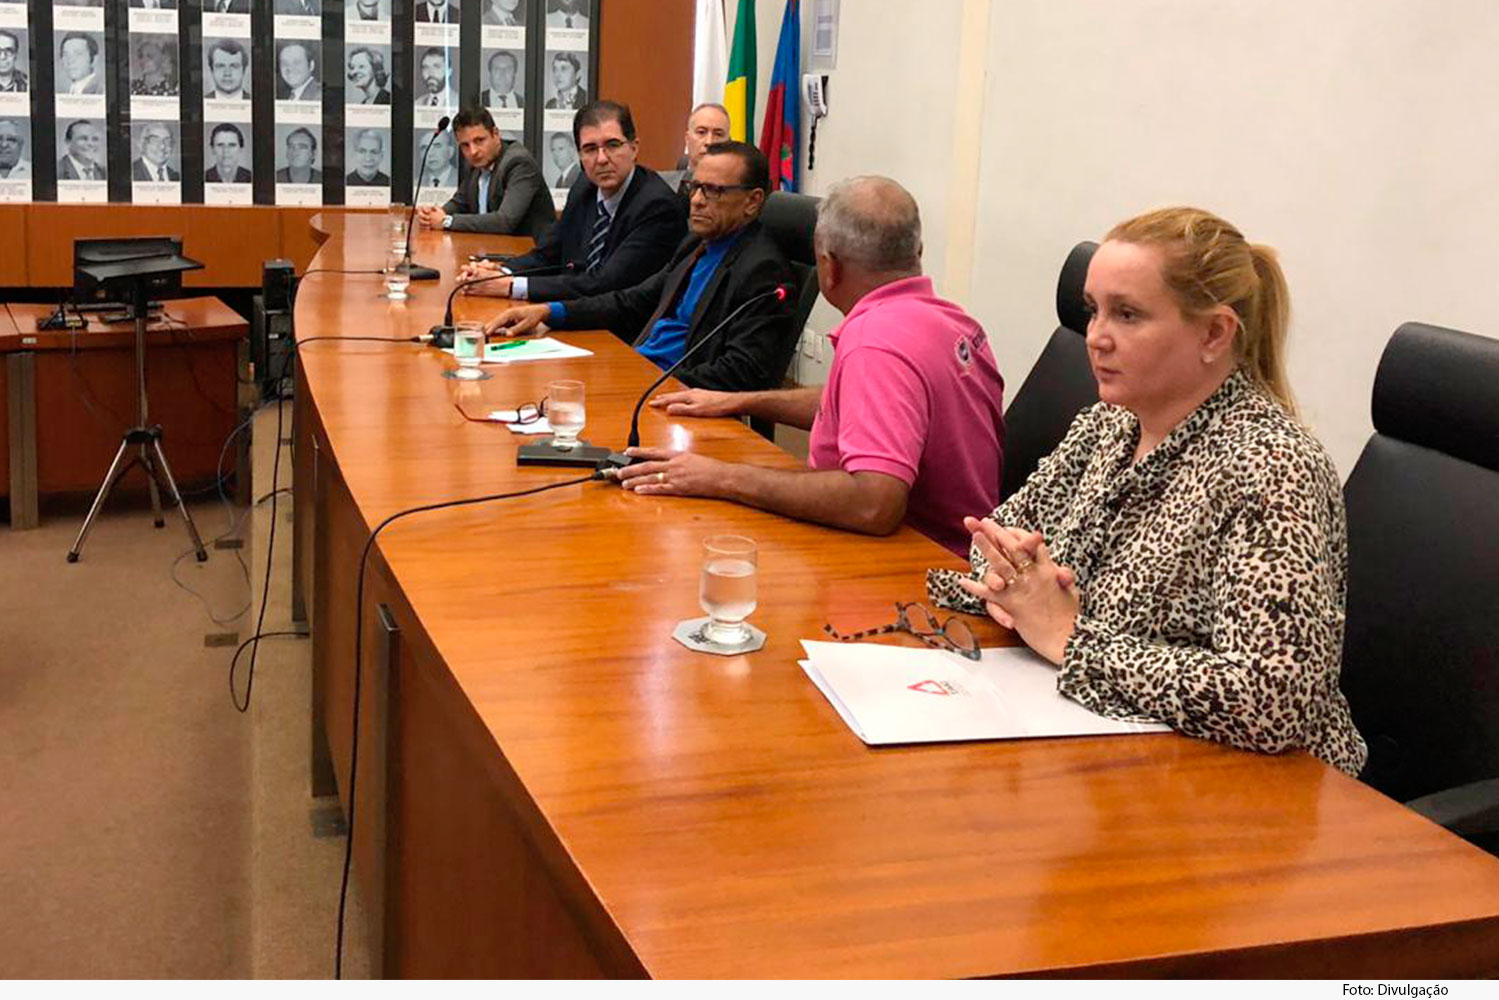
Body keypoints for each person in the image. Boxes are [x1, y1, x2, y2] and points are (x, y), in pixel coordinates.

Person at [927, 206, 1368, 776]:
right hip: (1101, 748)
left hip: (1252, 795)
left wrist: (1067, 635)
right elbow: (993, 544)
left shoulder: (1273, 466)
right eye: (1093, 311)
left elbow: (1273, 700)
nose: (1095, 338)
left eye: (1127, 315)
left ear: (1214, 332)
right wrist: (1017, 579)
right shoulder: (1107, 425)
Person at [616, 176, 1005, 553]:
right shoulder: (951, 320)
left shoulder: (876, 343)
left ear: (828, 266)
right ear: (915, 254)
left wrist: (721, 476)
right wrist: (738, 402)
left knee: (696, 547)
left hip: (911, 567)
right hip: (957, 550)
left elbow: (874, 504)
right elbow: (861, 405)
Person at [484, 141, 795, 393]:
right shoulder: (696, 244)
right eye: (694, 187)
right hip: (639, 369)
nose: (697, 201)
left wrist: (644, 382)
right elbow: (633, 300)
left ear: (753, 201)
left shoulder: (762, 271)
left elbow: (742, 372)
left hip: (667, 395)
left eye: (713, 191)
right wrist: (549, 311)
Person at [459, 101, 685, 303]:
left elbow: (604, 283)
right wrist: (500, 272)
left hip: (625, 332)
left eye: (613, 145)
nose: (602, 159)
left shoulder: (656, 206)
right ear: (579, 155)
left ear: (634, 148)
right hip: (580, 313)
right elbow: (548, 253)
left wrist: (511, 286)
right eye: (590, 149)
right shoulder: (584, 187)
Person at [415, 107, 553, 238]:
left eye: (479, 141)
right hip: (492, 250)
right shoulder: (477, 163)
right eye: (465, 145)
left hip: (531, 254)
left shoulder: (519, 163)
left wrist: (447, 221)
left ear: (496, 134)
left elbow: (504, 221)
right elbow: (460, 202)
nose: (473, 152)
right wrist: (434, 214)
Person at [660, 103, 731, 198]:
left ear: (729, 143)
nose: (709, 142)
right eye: (701, 132)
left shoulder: (739, 193)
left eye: (718, 134)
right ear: (687, 139)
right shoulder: (661, 186)